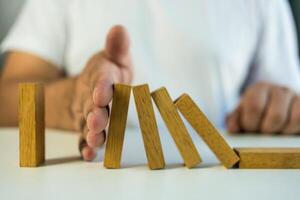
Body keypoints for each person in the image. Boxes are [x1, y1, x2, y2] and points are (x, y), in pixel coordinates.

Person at [1, 0, 300, 161]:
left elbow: (288, 101)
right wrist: (73, 98)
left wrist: (276, 108)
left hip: (219, 180)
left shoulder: (264, 4)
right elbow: (7, 98)